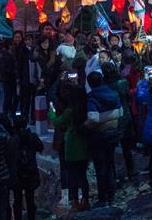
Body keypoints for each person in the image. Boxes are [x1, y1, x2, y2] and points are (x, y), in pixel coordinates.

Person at [48, 79, 90, 212]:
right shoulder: (85, 109)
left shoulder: (69, 110)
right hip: (84, 145)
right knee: (83, 175)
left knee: (70, 174)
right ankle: (86, 200)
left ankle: (74, 202)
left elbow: (57, 122)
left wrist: (51, 112)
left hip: (71, 146)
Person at [84, 71, 122, 206]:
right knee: (110, 164)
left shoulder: (92, 96)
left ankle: (103, 198)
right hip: (113, 133)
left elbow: (93, 118)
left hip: (99, 136)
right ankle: (112, 195)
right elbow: (120, 112)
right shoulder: (113, 93)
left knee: (100, 167)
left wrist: (85, 125)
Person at [102, 61, 136, 179]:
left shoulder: (104, 85)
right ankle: (131, 171)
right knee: (126, 147)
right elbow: (128, 96)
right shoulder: (122, 82)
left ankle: (112, 176)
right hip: (124, 113)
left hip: (110, 117)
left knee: (109, 150)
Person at [7, 115, 44, 220]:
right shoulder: (33, 137)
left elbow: (8, 155)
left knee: (17, 200)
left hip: (17, 174)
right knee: (30, 199)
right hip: (31, 171)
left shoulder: (13, 140)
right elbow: (41, 148)